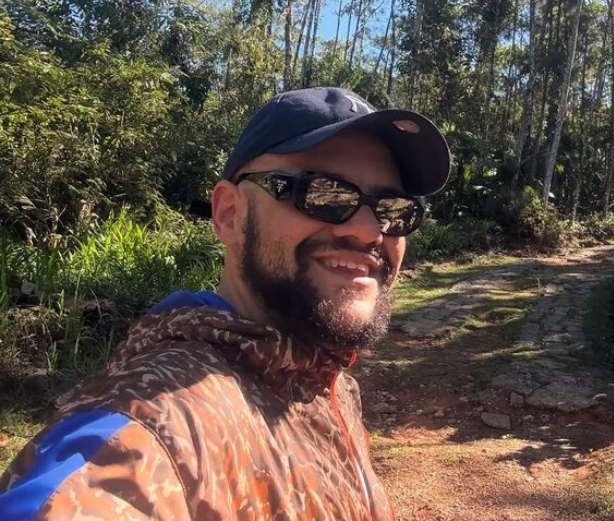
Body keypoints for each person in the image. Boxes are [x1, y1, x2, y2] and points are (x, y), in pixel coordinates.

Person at [0, 87, 450, 521]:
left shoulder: (325, 381)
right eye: (323, 194)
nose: (371, 231)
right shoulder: (155, 423)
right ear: (229, 214)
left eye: (394, 210)